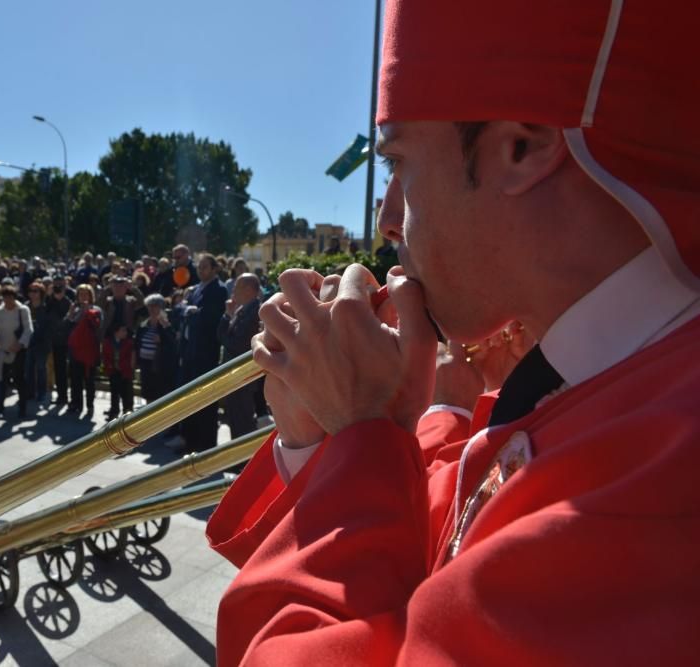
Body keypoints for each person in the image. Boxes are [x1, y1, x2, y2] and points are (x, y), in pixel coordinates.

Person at [208, 2, 700, 664]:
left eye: (400, 163)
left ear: (523, 145)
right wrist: (315, 436)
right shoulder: (602, 381)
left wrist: (362, 431)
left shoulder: (660, 486)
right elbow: (445, 545)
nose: (386, 217)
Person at [177, 253, 227, 451]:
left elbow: (209, 318)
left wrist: (191, 312)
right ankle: (190, 441)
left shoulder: (219, 289)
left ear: (215, 269)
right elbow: (181, 311)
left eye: (205, 267)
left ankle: (205, 445)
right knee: (190, 397)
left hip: (205, 352)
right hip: (191, 350)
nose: (201, 270)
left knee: (205, 399)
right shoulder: (197, 288)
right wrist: (188, 311)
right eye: (199, 267)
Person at [216, 273, 262, 439]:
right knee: (234, 420)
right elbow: (221, 336)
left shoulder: (256, 311)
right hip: (234, 375)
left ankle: (243, 463)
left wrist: (227, 331)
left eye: (237, 287)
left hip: (243, 377)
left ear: (249, 290)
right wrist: (227, 315)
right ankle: (237, 462)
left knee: (243, 422)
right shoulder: (241, 310)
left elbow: (237, 344)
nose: (233, 290)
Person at [0, 284, 32, 419]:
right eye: (5, 298)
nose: (8, 301)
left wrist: (20, 344)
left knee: (19, 380)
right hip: (2, 350)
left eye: (10, 298)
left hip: (18, 350)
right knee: (1, 381)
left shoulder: (23, 310)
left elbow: (28, 329)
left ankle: (22, 408)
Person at [65, 284, 102, 417]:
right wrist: (70, 314)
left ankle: (90, 405)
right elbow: (66, 328)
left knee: (89, 380)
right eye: (80, 294)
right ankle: (76, 404)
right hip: (75, 351)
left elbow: (97, 328)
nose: (83, 297)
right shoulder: (74, 309)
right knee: (75, 380)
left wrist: (88, 313)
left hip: (89, 351)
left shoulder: (96, 310)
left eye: (86, 294)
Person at [135, 293, 177, 404]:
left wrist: (162, 340)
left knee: (160, 396)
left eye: (155, 305)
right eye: (150, 305)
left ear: (161, 307)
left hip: (160, 366)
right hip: (145, 365)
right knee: (148, 394)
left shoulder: (166, 323)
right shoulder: (144, 324)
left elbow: (174, 342)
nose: (152, 308)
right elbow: (137, 343)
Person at [45, 274, 74, 407]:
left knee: (66, 369)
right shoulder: (50, 299)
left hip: (67, 339)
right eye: (56, 285)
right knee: (57, 368)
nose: (58, 288)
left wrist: (61, 298)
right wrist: (51, 296)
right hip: (54, 339)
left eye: (60, 285)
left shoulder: (69, 297)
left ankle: (68, 397)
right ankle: (61, 396)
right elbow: (46, 313)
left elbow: (69, 317)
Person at [25, 282, 51, 404]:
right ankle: (30, 392)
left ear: (41, 293)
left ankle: (42, 392)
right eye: (31, 291)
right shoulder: (25, 307)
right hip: (28, 342)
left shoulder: (46, 307)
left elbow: (48, 326)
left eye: (36, 291)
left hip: (42, 343)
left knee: (41, 369)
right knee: (29, 368)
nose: (33, 293)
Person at [102, 323, 135, 419]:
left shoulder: (129, 343)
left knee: (127, 392)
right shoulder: (108, 342)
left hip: (125, 371)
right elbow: (105, 356)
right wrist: (109, 367)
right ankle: (114, 412)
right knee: (114, 392)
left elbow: (130, 357)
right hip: (114, 371)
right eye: (123, 330)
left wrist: (128, 368)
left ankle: (127, 412)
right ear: (116, 332)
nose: (125, 333)